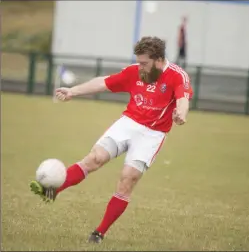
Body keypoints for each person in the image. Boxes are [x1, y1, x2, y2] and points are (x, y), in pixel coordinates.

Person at [29, 36, 193, 243]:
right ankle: (52, 189)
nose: (140, 67)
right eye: (139, 62)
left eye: (144, 63)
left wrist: (181, 114)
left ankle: (99, 233)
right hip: (128, 123)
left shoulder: (177, 76)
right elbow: (103, 83)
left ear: (159, 59)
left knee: (128, 178)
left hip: (152, 134)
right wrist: (73, 91)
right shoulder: (134, 72)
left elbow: (182, 99)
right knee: (94, 158)